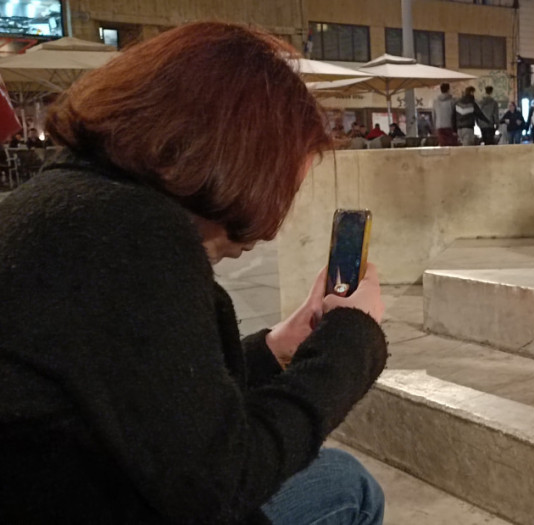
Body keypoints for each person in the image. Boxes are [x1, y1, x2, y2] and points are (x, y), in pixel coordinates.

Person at [0, 22, 388, 525]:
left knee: (334, 474)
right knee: (348, 486)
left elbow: (155, 398)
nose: (274, 221)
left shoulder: (67, 205)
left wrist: (276, 349)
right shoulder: (132, 237)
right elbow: (220, 484)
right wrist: (352, 341)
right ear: (239, 157)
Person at [432, 82, 456, 146]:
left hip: (439, 126)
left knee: (443, 145)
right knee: (451, 146)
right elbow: (454, 115)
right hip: (449, 126)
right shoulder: (452, 101)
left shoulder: (435, 102)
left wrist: (434, 127)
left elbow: (434, 116)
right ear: (448, 90)